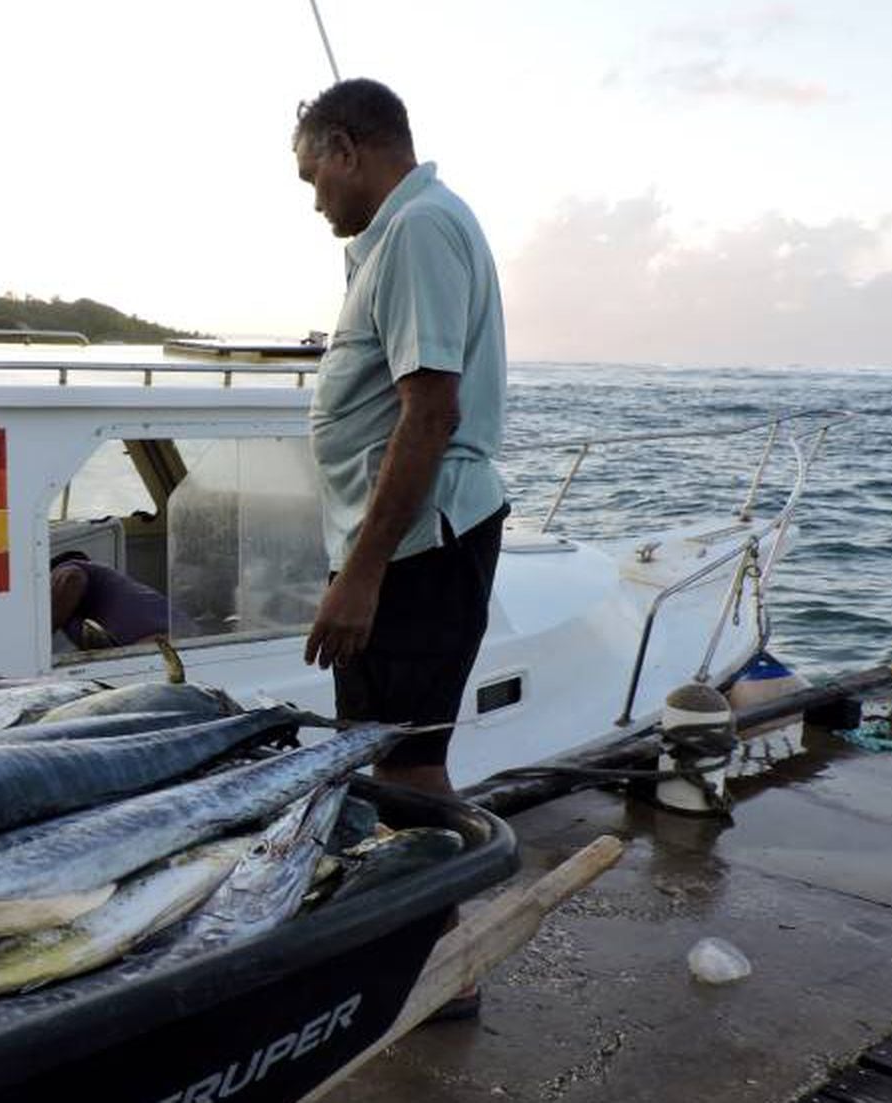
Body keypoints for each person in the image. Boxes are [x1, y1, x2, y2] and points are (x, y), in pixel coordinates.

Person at [294, 80, 509, 1021]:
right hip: (406, 545)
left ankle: (447, 970)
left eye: (313, 175)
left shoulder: (418, 230)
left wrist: (363, 574)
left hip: (419, 546)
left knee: (412, 767)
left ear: (347, 148)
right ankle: (422, 956)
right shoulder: (398, 234)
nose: (313, 200)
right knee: (389, 758)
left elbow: (432, 410)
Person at [49, 551, 195, 649]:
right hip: (180, 637)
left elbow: (71, 578)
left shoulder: (70, 569)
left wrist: (43, 633)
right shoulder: (76, 616)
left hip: (164, 638)